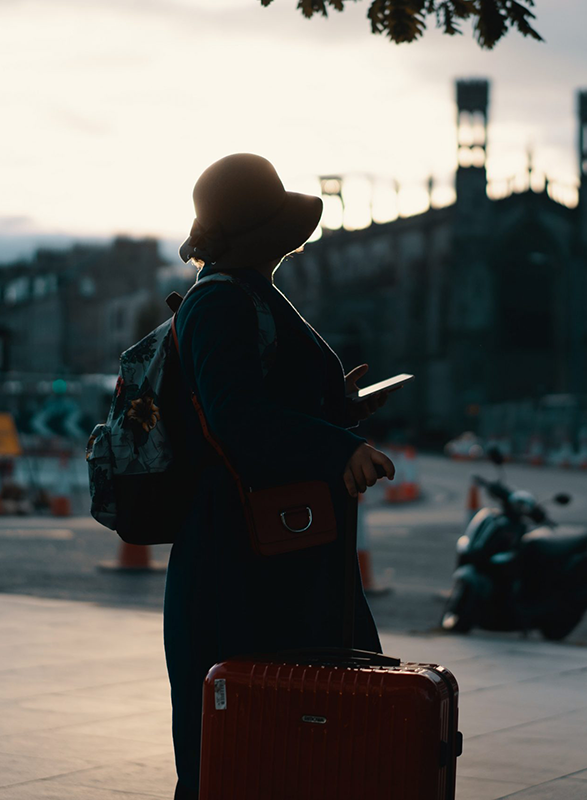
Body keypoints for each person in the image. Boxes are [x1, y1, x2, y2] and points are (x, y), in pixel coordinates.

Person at [165, 153, 398, 799]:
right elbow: (235, 418)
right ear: (257, 232)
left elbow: (263, 400)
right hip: (242, 556)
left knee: (287, 732)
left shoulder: (250, 294)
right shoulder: (220, 301)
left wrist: (338, 407)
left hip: (276, 547)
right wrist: (335, 448)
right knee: (236, 744)